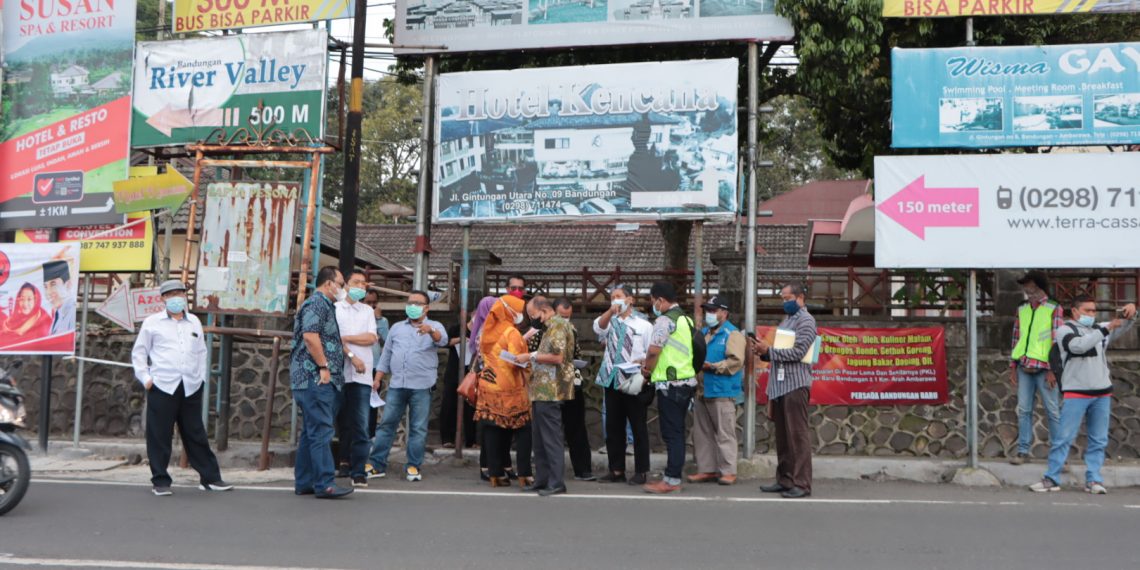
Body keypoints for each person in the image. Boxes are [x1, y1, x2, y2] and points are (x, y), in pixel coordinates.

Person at [131, 279, 231, 497]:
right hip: (163, 385)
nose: (177, 298)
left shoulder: (194, 321)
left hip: (190, 385)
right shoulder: (152, 322)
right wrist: (146, 379)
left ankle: (210, 478)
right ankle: (160, 481)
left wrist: (201, 378)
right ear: (163, 299)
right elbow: (139, 353)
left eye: (180, 293)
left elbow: (202, 352)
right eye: (171, 294)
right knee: (159, 434)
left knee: (196, 433)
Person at [1031, 296, 1137, 494]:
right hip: (1076, 392)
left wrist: (1132, 312)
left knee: (1098, 439)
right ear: (1075, 311)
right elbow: (1078, 346)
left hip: (1102, 392)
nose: (1091, 314)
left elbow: (1123, 325)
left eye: (1094, 311)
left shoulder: (1099, 329)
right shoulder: (1065, 331)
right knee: (1063, 437)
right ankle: (1051, 478)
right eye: (1087, 310)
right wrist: (1106, 328)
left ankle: (1094, 480)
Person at [366, 290, 447, 482]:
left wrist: (430, 331)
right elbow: (386, 355)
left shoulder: (435, 326)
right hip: (397, 385)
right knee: (386, 425)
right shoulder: (396, 328)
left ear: (426, 308)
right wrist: (377, 378)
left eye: (417, 303)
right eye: (410, 302)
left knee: (418, 428)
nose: (412, 306)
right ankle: (377, 464)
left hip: (421, 386)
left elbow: (442, 340)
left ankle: (413, 465)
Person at [290, 266, 352, 499]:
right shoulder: (316, 304)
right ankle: (325, 483)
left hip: (313, 380)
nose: (343, 288)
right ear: (329, 284)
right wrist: (324, 366)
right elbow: (310, 336)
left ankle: (304, 481)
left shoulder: (324, 305)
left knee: (311, 432)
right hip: (315, 378)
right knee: (322, 431)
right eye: (341, 283)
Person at [751, 283, 818, 499]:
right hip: (780, 385)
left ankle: (802, 483)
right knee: (782, 437)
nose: (784, 302)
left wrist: (769, 351)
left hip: (796, 384)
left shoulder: (806, 321)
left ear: (800, 298)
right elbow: (780, 352)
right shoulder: (788, 320)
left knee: (797, 436)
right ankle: (785, 479)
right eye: (782, 298)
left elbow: (799, 352)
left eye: (787, 297)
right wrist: (763, 351)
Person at [641, 281, 697, 495]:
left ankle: (672, 480)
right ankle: (672, 477)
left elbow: (654, 351)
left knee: (672, 434)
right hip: (685, 382)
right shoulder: (686, 319)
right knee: (678, 432)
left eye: (653, 301)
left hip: (670, 385)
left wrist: (646, 370)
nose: (652, 305)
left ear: (660, 300)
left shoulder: (665, 320)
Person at [593, 284, 653, 485]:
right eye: (612, 297)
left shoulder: (643, 325)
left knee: (638, 427)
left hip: (633, 380)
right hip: (611, 379)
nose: (615, 299)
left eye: (618, 296)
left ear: (630, 299)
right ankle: (616, 469)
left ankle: (641, 471)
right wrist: (611, 310)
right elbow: (598, 328)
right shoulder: (611, 320)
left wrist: (644, 367)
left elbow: (651, 352)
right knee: (613, 428)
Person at [476, 295, 534, 488]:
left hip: (488, 385)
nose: (521, 315)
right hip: (510, 387)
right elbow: (519, 360)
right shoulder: (512, 332)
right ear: (509, 311)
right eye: (518, 310)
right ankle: (525, 473)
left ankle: (496, 474)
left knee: (493, 429)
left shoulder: (487, 330)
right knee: (524, 429)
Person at [689, 295, 745, 486]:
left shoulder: (732, 334)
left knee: (725, 432)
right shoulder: (703, 332)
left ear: (724, 313)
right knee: (702, 433)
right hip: (702, 389)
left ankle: (728, 471)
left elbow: (736, 362)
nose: (709, 314)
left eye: (713, 310)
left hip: (722, 390)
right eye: (708, 310)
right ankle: (707, 469)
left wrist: (713, 366)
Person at [1009, 270, 1064, 465]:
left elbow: (1057, 341)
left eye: (1031, 289)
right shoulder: (1022, 309)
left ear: (1041, 288)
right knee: (1024, 410)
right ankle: (1023, 451)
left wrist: (1052, 369)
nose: (1028, 293)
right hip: (1024, 367)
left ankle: (1059, 454)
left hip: (1044, 369)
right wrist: (1013, 365)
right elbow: (1016, 338)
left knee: (1053, 411)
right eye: (1026, 289)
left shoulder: (1054, 308)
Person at [524, 297, 576, 496]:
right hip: (541, 389)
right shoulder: (550, 327)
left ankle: (556, 482)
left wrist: (530, 356)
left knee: (551, 438)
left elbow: (558, 357)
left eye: (533, 315)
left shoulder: (558, 326)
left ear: (543, 310)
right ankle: (542, 479)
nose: (532, 319)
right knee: (539, 438)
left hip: (551, 390)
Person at [334, 271, 379, 487]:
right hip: (339, 373)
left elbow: (371, 338)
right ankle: (340, 463)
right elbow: (332, 340)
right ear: (346, 285)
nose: (361, 286)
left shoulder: (367, 311)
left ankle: (358, 470)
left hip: (362, 376)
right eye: (356, 282)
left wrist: (347, 338)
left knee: (361, 424)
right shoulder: (335, 309)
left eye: (363, 283)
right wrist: (351, 353)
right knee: (338, 421)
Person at [552, 297, 594, 481]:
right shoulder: (544, 332)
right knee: (551, 429)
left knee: (576, 427)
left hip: (571, 381)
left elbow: (577, 354)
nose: (565, 320)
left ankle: (583, 469)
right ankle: (551, 470)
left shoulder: (573, 331)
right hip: (550, 384)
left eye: (568, 317)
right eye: (562, 316)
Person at [42, 259, 75, 335]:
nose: (48, 292)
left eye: (53, 284)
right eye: (45, 286)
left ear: (68, 285)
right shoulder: (58, 313)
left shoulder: (72, 312)